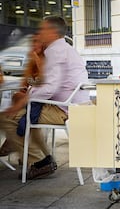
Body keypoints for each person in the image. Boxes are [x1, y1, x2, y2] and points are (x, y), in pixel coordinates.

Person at [0, 16, 89, 179]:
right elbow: (47, 83)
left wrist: (25, 98)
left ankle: (39, 161)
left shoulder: (55, 51)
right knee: (26, 115)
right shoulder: (66, 49)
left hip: (64, 109)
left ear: (53, 32)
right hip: (73, 106)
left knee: (8, 117)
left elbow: (50, 88)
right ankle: (36, 155)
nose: (40, 33)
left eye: (43, 29)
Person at [0, 33, 46, 157]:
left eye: (37, 41)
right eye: (33, 42)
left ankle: (16, 145)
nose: (33, 45)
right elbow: (25, 82)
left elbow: (44, 82)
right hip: (32, 97)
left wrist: (36, 58)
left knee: (13, 115)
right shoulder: (31, 62)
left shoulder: (46, 61)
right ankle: (30, 154)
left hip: (45, 100)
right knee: (17, 99)